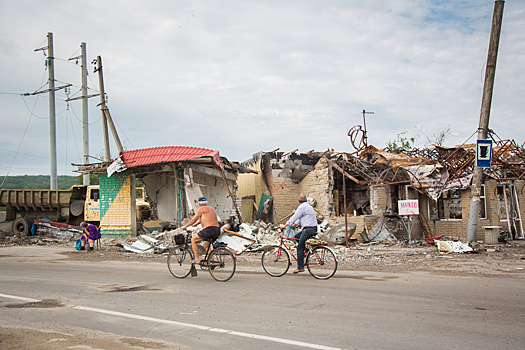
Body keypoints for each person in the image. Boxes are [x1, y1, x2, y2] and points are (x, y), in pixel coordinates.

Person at [280, 194, 318, 274]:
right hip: (313, 228)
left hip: (308, 230)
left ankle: (300, 267)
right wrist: (295, 224)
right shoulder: (309, 206)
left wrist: (285, 225)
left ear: (298, 201)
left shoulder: (301, 207)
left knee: (299, 247)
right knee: (297, 236)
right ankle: (306, 251)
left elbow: (294, 217)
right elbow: (302, 218)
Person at [180, 197, 220, 264]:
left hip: (209, 230)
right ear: (206, 203)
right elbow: (205, 218)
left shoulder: (201, 209)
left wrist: (185, 226)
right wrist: (196, 224)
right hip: (217, 230)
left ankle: (196, 259)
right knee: (206, 245)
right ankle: (212, 260)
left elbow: (193, 219)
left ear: (199, 204)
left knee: (193, 240)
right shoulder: (210, 208)